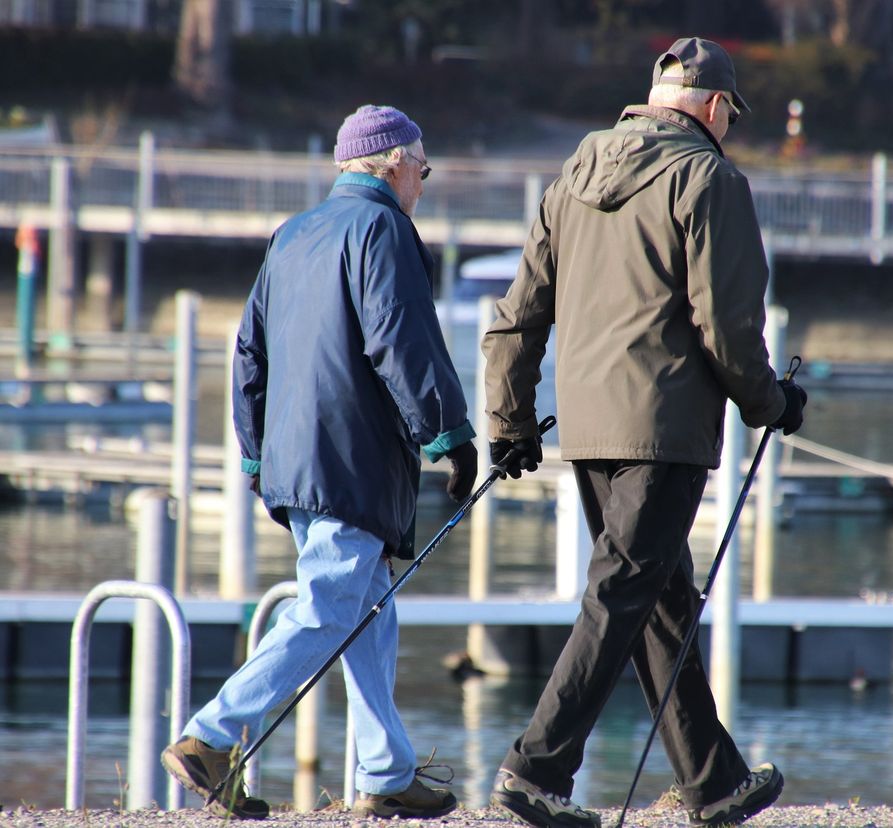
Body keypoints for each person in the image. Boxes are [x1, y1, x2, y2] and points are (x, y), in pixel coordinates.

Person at [482, 38, 807, 828]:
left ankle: (712, 780)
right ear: (713, 106)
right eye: (730, 111)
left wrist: (509, 421)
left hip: (591, 429)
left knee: (659, 601)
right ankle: (536, 770)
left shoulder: (574, 172)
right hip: (662, 428)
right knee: (623, 594)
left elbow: (517, 315)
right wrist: (772, 404)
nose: (729, 124)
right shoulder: (711, 179)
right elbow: (728, 327)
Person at [161, 104, 477, 820]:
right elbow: (401, 337)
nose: (423, 183)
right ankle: (211, 735)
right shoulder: (382, 227)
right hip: (352, 457)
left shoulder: (293, 233)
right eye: (422, 169)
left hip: (295, 461)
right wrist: (449, 434)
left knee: (368, 611)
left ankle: (385, 772)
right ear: (394, 163)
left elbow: (250, 351)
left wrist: (253, 451)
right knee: (330, 606)